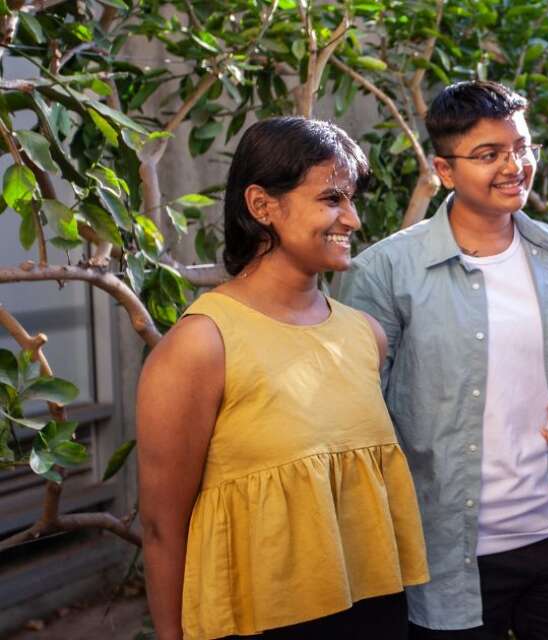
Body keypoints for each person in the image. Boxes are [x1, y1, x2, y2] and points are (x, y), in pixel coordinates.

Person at [338, 80, 548, 640]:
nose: (514, 165)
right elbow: (361, 411)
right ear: (444, 171)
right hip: (445, 554)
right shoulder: (386, 272)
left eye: (522, 147)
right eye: (489, 154)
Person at [136, 117, 428, 640]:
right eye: (332, 198)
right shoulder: (202, 345)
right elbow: (161, 529)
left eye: (352, 199)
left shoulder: (365, 335)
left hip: (375, 615)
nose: (354, 219)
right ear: (262, 205)